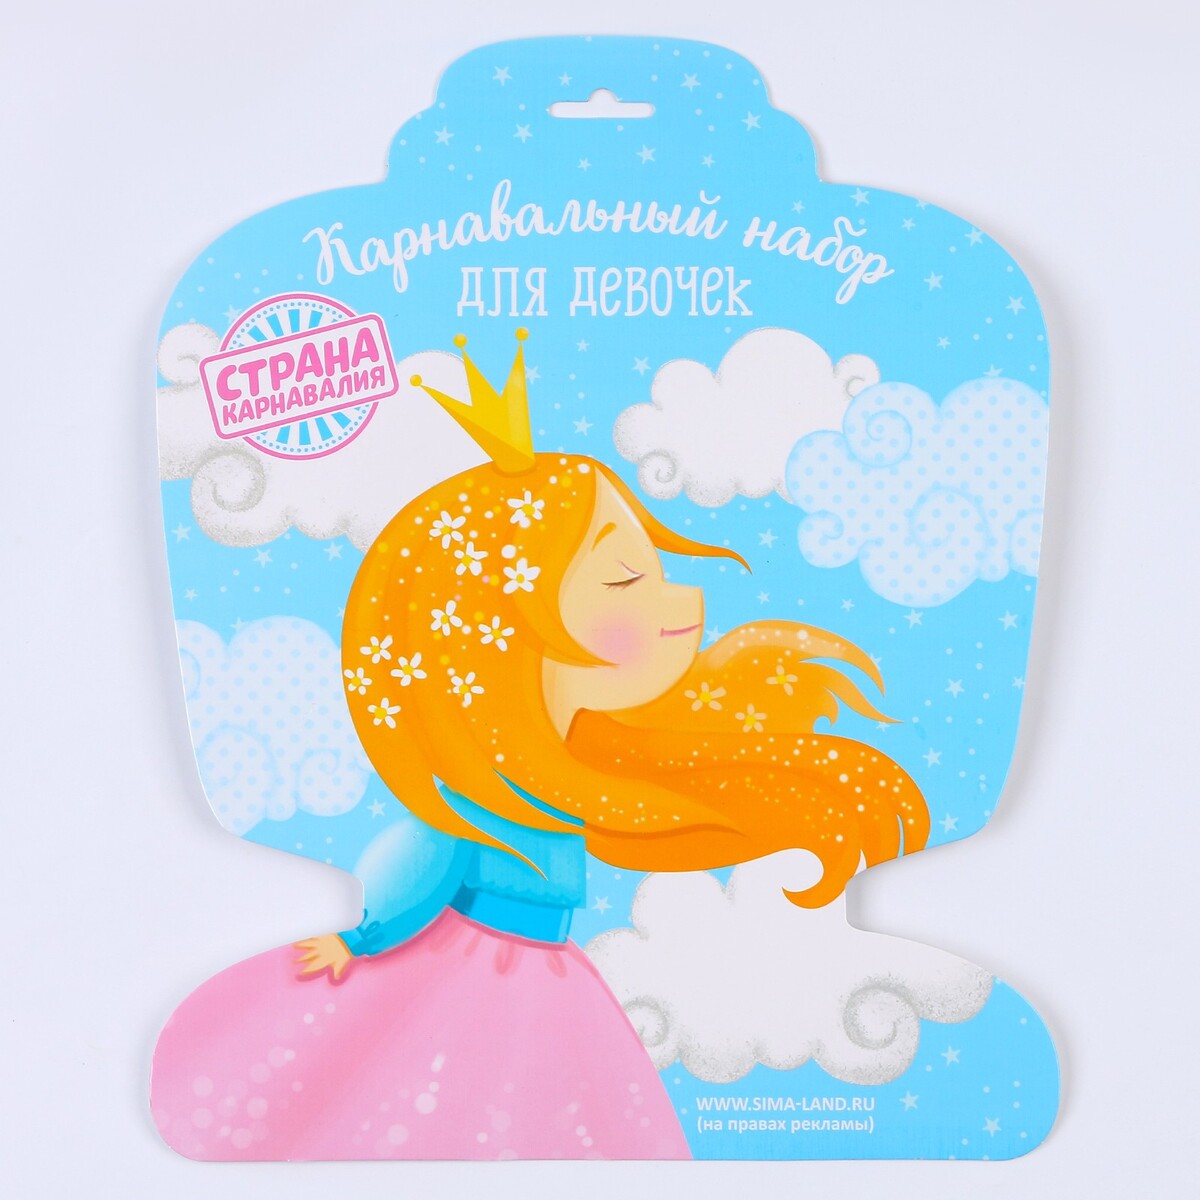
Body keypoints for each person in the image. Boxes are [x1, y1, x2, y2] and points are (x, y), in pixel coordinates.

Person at [152, 331, 928, 1160]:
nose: (683, 600)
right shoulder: (473, 799)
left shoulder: (570, 772)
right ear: (503, 624)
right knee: (454, 1104)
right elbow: (421, 863)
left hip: (550, 970)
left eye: (657, 568)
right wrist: (362, 941)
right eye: (626, 578)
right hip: (480, 968)